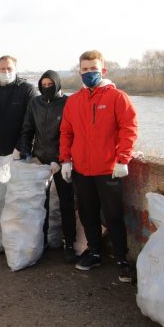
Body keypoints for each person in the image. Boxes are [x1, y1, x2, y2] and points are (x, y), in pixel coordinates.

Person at [59, 50, 137, 283]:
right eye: (84, 69)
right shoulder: (74, 101)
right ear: (79, 72)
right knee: (87, 213)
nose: (89, 73)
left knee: (113, 215)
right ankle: (94, 252)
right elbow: (66, 132)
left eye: (93, 69)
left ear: (103, 70)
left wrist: (123, 159)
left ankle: (122, 260)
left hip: (108, 169)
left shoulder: (117, 97)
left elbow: (129, 128)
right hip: (82, 170)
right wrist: (66, 160)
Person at [18, 70, 76, 262]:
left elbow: (73, 134)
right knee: (40, 203)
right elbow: (27, 129)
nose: (47, 88)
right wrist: (25, 152)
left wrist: (63, 160)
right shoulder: (35, 103)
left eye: (50, 84)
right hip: (40, 160)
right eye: (43, 85)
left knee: (66, 203)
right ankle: (40, 240)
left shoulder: (68, 103)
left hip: (61, 162)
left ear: (58, 84)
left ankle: (69, 244)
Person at [0, 55, 37, 159]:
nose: (6, 71)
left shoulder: (27, 90)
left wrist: (20, 148)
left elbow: (32, 123)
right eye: (2, 68)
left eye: (9, 68)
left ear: (15, 69)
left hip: (19, 153)